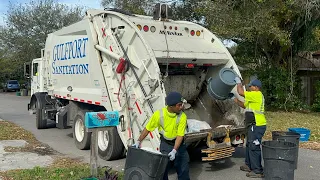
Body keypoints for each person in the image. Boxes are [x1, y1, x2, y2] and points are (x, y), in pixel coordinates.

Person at [133, 91, 190, 180]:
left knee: (184, 171)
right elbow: (148, 128)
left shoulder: (182, 116)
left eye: (182, 104)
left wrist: (175, 150)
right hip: (165, 145)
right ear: (171, 107)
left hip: (180, 146)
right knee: (162, 171)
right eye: (179, 105)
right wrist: (138, 141)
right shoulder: (159, 115)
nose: (181, 107)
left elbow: (180, 135)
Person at [233, 77, 267, 178]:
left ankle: (257, 170)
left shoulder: (256, 95)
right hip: (252, 125)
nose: (249, 88)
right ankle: (248, 165)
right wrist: (234, 100)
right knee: (249, 145)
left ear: (256, 87)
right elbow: (244, 105)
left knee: (254, 147)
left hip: (257, 125)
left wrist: (238, 83)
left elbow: (241, 92)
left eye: (251, 86)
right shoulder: (252, 97)